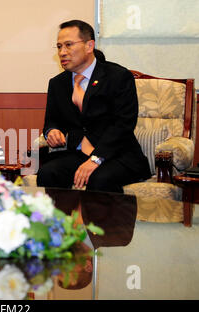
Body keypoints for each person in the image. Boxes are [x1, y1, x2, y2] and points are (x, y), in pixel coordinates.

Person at [37, 20, 151, 193]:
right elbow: (51, 121)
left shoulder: (118, 77)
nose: (62, 52)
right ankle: (61, 220)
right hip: (78, 154)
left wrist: (96, 158)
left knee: (100, 179)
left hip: (117, 154)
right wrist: (51, 131)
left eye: (68, 45)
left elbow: (123, 125)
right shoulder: (57, 84)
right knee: (48, 173)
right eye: (59, 47)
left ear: (89, 45)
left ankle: (108, 221)